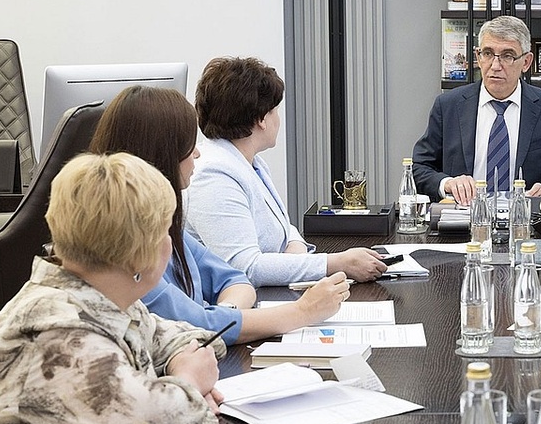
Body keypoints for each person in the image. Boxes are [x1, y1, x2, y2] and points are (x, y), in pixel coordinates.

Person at [0, 153, 223, 424]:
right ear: (140, 255)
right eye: (165, 231)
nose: (170, 242)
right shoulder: (57, 329)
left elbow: (181, 338)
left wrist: (183, 364)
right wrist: (190, 381)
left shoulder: (101, 299)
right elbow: (155, 422)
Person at [90, 86, 352, 344]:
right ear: (163, 153)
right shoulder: (121, 250)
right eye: (188, 145)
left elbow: (234, 280)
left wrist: (222, 316)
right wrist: (303, 311)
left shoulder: (164, 225)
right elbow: (197, 326)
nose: (197, 152)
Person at [184, 57, 386, 287]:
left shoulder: (252, 163)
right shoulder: (214, 175)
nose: (278, 119)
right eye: (275, 111)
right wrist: (336, 263)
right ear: (261, 119)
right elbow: (246, 268)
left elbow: (283, 228)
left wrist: (296, 254)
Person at [412, 15, 541, 205]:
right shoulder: (448, 105)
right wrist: (448, 183)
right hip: (464, 216)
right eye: (488, 53)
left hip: (525, 217)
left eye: (507, 56)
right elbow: (418, 168)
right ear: (478, 57)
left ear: (526, 62)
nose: (495, 66)